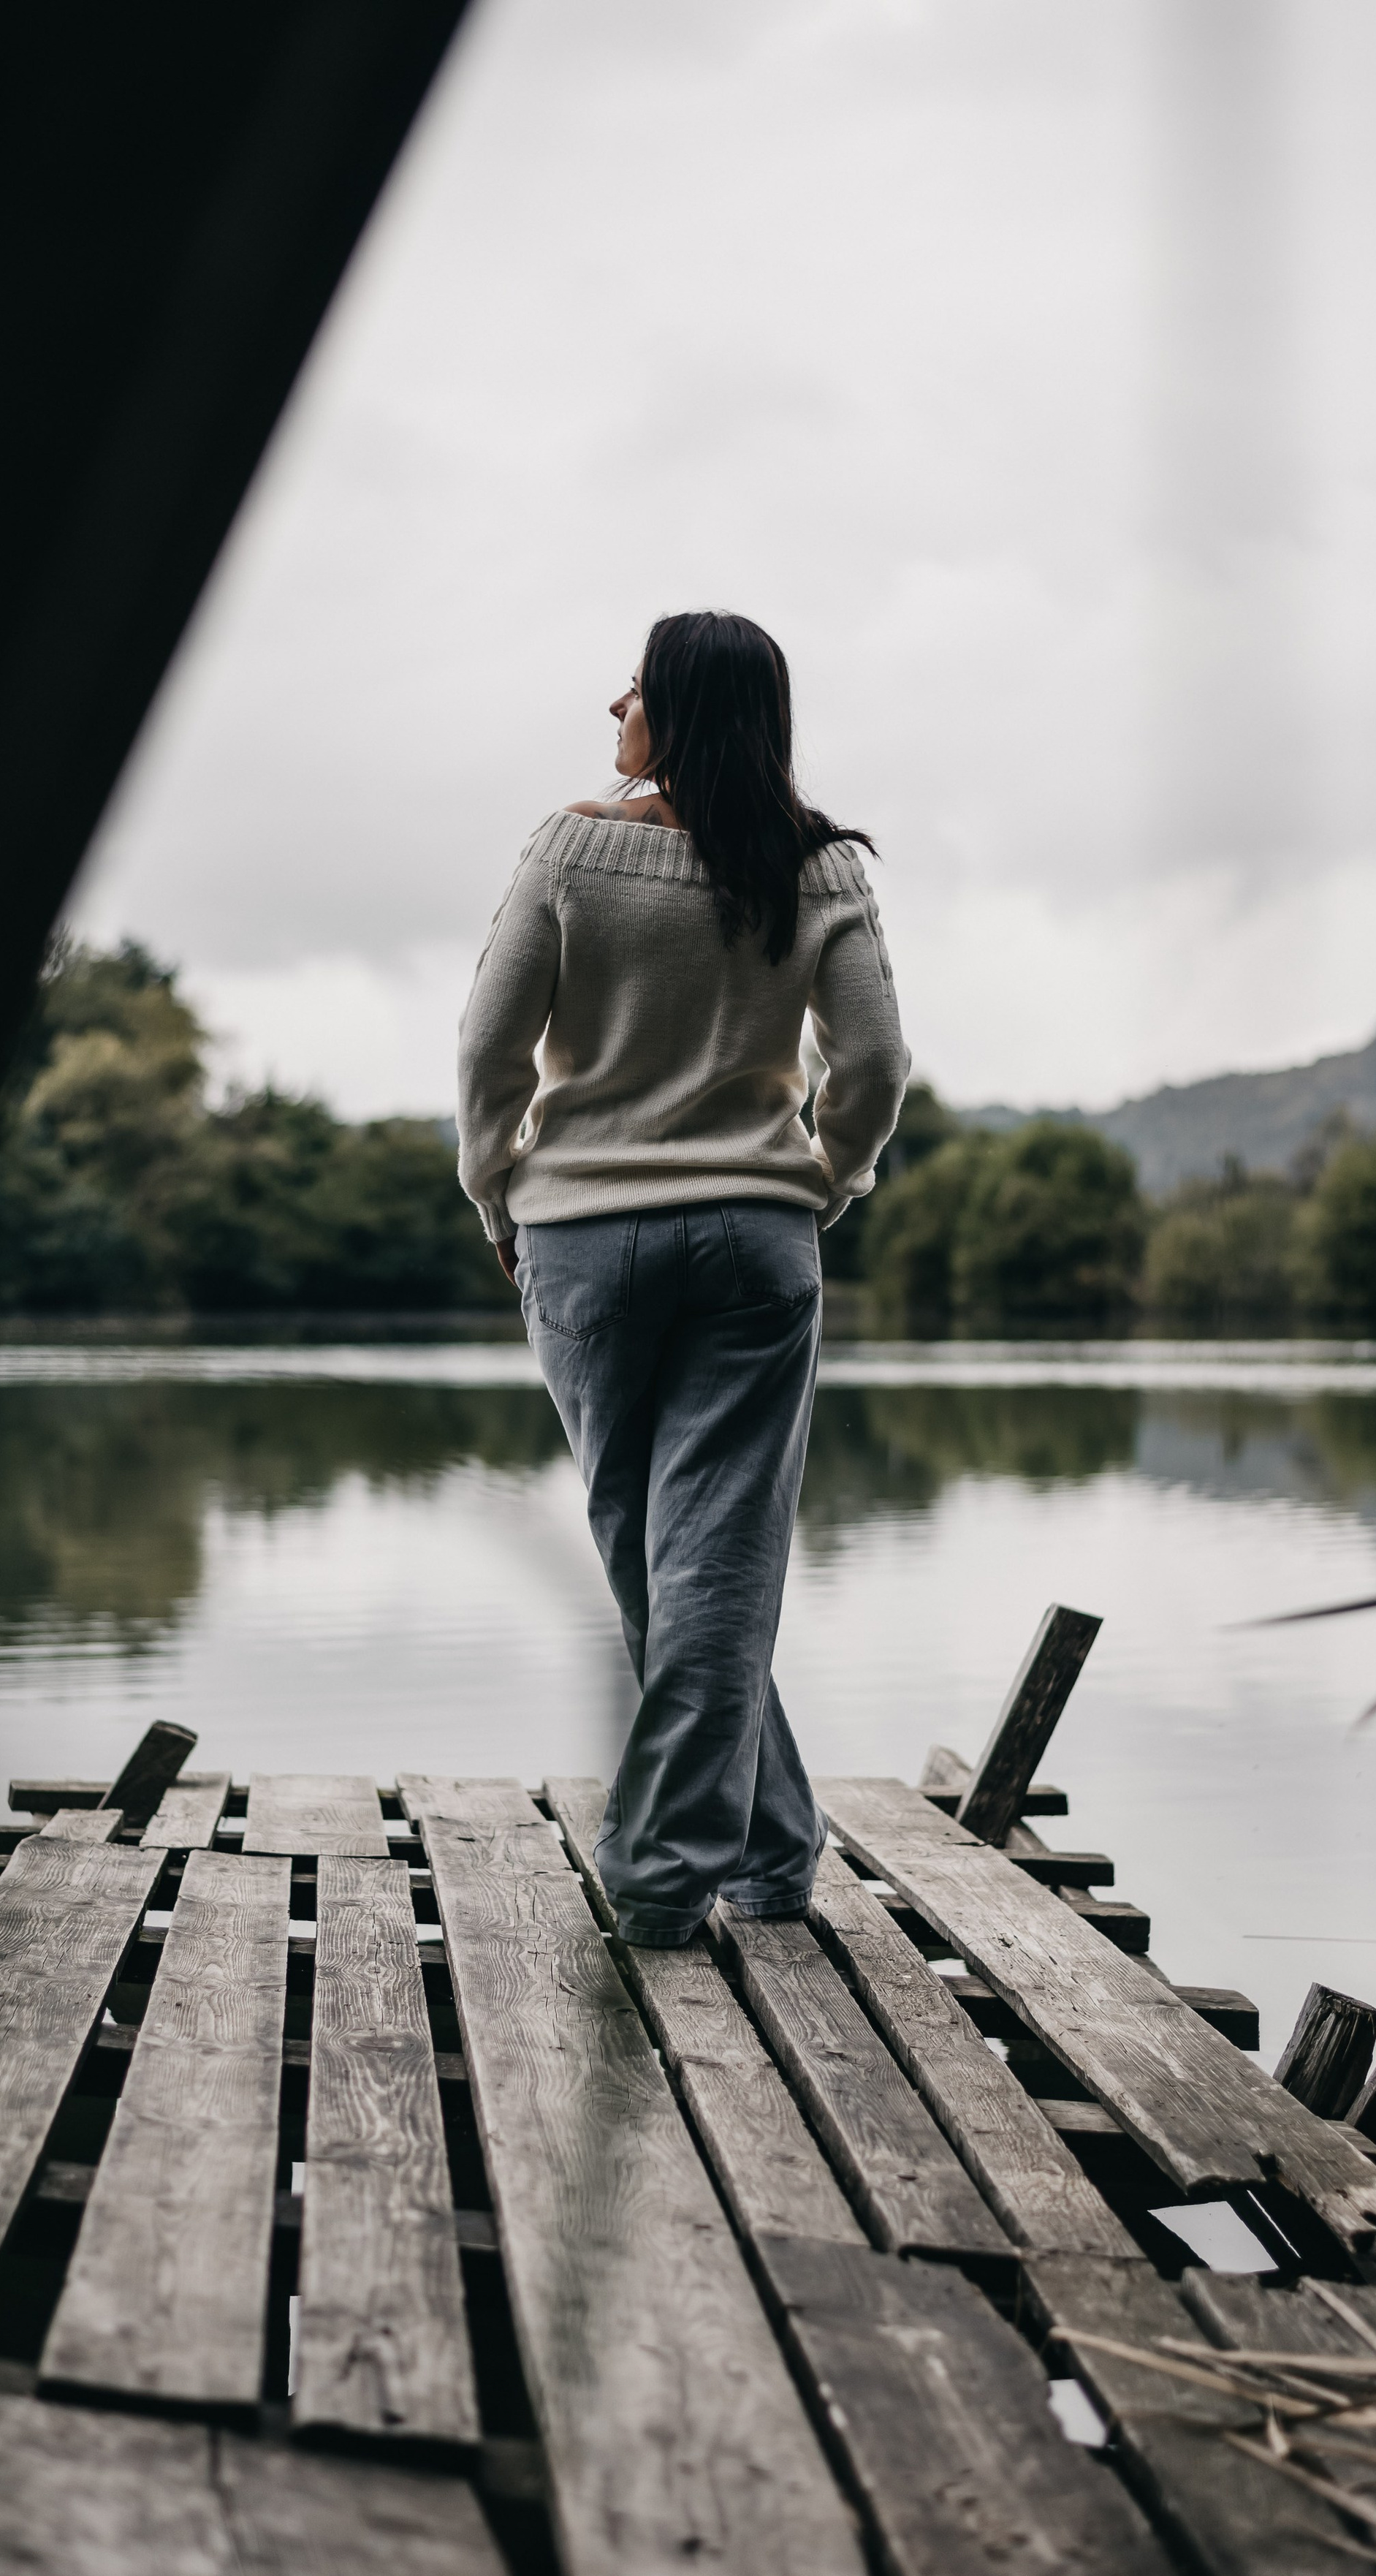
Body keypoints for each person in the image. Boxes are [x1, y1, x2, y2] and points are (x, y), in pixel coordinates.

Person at [456, 610, 908, 1945]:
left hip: (584, 1240)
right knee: (705, 1558)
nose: (614, 705)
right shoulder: (819, 870)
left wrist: (497, 1189)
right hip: (754, 1246)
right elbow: (874, 1065)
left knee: (659, 1555)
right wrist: (823, 1181)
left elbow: (488, 1047)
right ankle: (772, 1852)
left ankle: (658, 1882)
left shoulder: (569, 848)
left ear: (683, 713)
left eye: (636, 688)